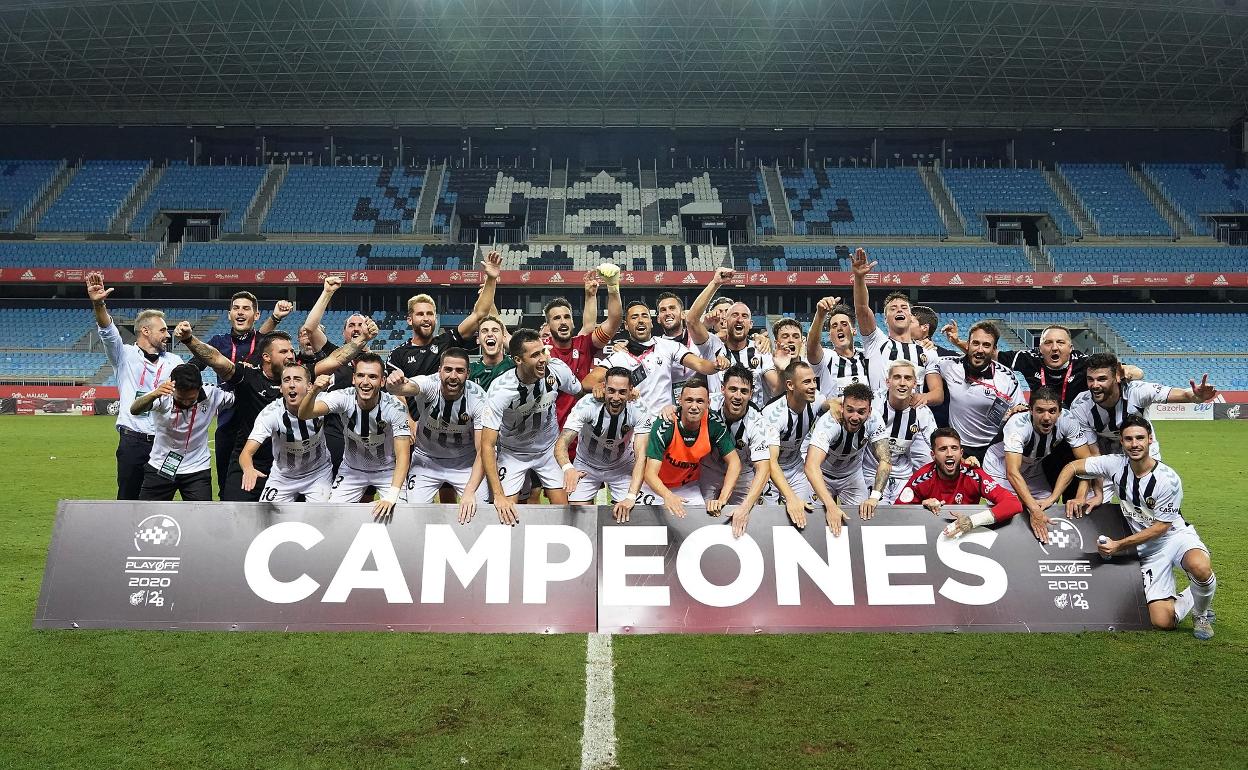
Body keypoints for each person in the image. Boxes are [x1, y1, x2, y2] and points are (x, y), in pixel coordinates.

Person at [1040, 415, 1216, 639]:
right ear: (1121, 442)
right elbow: (1073, 466)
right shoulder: (1114, 464)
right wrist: (1060, 497)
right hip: (1146, 549)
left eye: (1140, 438)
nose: (1135, 444)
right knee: (1162, 621)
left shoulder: (1167, 480)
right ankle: (1193, 595)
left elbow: (1161, 527)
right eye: (1129, 439)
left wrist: (1119, 545)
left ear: (1150, 440)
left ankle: (1201, 614)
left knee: (1200, 567)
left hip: (1173, 536)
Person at [85, 272, 185, 500]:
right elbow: (108, 332)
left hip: (165, 441)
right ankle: (123, 536)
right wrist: (99, 303)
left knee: (161, 499)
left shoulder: (175, 362)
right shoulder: (124, 355)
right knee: (128, 498)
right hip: (133, 440)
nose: (167, 335)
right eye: (162, 330)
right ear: (145, 331)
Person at [177, 324, 300, 501]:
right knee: (233, 513)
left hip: (288, 463)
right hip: (248, 459)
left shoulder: (300, 379)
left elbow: (334, 360)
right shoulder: (248, 376)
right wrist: (189, 339)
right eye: (283, 352)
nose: (290, 355)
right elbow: (216, 358)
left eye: (291, 351)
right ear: (266, 357)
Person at [192, 290, 292, 497]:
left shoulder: (265, 343)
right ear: (229, 314)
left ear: (256, 315)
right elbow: (194, 367)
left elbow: (262, 340)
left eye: (246, 308)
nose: (240, 312)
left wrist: (274, 318)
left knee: (272, 481)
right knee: (227, 485)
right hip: (229, 421)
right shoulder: (218, 342)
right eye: (236, 308)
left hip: (260, 418)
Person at [480, 329, 585, 524]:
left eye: (543, 351)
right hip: (513, 453)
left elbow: (581, 394)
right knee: (506, 513)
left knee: (564, 510)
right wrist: (499, 495)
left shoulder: (557, 370)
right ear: (518, 360)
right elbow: (487, 445)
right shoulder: (501, 389)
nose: (543, 358)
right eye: (535, 355)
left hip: (548, 451)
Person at [298, 353, 412, 521]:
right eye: (360, 375)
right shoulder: (344, 397)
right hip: (351, 470)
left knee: (402, 516)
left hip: (387, 471)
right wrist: (313, 391)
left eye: (372, 377)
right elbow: (304, 414)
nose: (365, 382)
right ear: (353, 378)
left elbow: (403, 455)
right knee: (332, 518)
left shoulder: (395, 408)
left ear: (382, 381)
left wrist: (392, 495)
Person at [384, 348, 487, 520]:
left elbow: (483, 450)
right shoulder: (429, 385)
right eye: (448, 369)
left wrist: (469, 492)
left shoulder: (478, 399)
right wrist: (392, 383)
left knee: (481, 512)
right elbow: (403, 388)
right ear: (439, 371)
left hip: (465, 463)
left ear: (468, 373)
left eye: (460, 371)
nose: (453, 376)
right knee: (414, 514)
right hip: (426, 461)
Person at [585, 300, 728, 424]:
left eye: (644, 316)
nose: (640, 320)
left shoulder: (668, 346)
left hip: (664, 423)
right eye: (634, 317)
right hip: (633, 426)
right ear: (626, 325)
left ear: (651, 323)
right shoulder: (619, 357)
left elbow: (700, 364)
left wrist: (715, 365)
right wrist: (600, 386)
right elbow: (587, 382)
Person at [982, 387, 1094, 540]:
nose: (1046, 417)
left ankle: (1040, 550)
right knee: (1011, 507)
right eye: (1040, 411)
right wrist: (1034, 510)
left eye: (1052, 411)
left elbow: (1086, 462)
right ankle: (1008, 546)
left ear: (1060, 412)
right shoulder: (1018, 426)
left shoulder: (1068, 420)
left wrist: (1081, 495)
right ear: (1030, 411)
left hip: (1033, 466)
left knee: (1047, 506)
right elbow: (1012, 472)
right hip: (1001, 466)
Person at [1069, 352, 1217, 460]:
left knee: (1148, 493)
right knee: (1096, 501)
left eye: (1102, 379)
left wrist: (1196, 396)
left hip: (1143, 447)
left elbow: (1182, 394)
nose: (1095, 385)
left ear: (1116, 378)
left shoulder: (1137, 391)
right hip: (1106, 452)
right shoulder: (1080, 405)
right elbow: (1094, 455)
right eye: (1090, 380)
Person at [921, 321, 1026, 461]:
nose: (980, 349)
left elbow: (1021, 413)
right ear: (968, 344)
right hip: (958, 448)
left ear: (994, 349)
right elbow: (926, 359)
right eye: (976, 343)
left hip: (994, 448)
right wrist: (924, 346)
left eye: (986, 345)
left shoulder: (1007, 379)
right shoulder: (950, 365)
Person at [388, 250, 502, 378]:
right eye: (420, 314)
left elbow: (479, 314)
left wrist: (491, 279)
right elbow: (396, 393)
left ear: (435, 318)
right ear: (409, 320)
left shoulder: (446, 342)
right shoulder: (398, 354)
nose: (426, 318)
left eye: (430, 314)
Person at [300, 276, 374, 471]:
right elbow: (310, 328)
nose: (357, 328)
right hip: (335, 437)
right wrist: (327, 293)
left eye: (361, 324)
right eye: (351, 325)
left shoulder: (377, 363)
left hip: (371, 437)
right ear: (343, 334)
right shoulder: (332, 354)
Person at [128, 363, 232, 501]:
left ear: (199, 388)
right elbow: (134, 409)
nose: (186, 402)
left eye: (191, 399)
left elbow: (239, 399)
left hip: (197, 469)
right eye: (180, 398)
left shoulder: (212, 393)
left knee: (201, 518)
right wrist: (154, 394)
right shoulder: (162, 394)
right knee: (148, 517)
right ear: (173, 388)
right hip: (160, 467)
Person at [639, 377, 741, 518]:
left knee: (701, 522)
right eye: (689, 400)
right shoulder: (666, 423)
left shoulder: (714, 424)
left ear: (708, 404)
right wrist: (668, 496)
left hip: (687, 487)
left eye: (700, 401)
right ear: (680, 401)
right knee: (642, 524)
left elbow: (734, 462)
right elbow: (650, 473)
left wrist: (722, 499)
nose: (694, 406)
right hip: (654, 487)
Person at [897, 427, 1023, 538]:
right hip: (930, 536)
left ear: (961, 453)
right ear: (933, 455)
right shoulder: (921, 478)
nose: (950, 454)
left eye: (954, 448)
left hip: (967, 537)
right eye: (942, 449)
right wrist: (921, 505)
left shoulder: (974, 474)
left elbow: (1013, 504)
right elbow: (896, 513)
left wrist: (972, 521)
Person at [699, 365, 775, 538]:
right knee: (702, 518)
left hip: (743, 475)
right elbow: (685, 408)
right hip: (709, 469)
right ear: (723, 389)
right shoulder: (707, 405)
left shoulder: (758, 423)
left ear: (751, 393)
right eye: (733, 389)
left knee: (743, 520)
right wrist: (670, 409)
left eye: (744, 391)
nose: (738, 396)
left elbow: (763, 468)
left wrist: (745, 507)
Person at [556, 366, 646, 511]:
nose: (616, 398)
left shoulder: (639, 408)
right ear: (603, 387)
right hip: (586, 465)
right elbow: (562, 442)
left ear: (631, 390)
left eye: (622, 392)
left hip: (622, 467)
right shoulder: (587, 405)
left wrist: (631, 497)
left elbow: (641, 455)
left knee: (628, 514)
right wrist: (568, 468)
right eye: (611, 390)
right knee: (579, 516)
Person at [241, 363, 334, 502]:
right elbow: (246, 453)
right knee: (267, 518)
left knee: (320, 517)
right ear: (281, 388)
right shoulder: (270, 414)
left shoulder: (322, 402)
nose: (291, 384)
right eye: (286, 380)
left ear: (309, 386)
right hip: (283, 477)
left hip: (318, 473)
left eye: (297, 379)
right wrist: (248, 469)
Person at [805, 382, 887, 536]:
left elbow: (885, 460)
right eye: (850, 410)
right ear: (842, 407)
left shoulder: (875, 420)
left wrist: (874, 497)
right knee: (814, 524)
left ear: (869, 411)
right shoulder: (829, 422)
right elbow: (811, 466)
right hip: (822, 475)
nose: (855, 417)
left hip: (852, 476)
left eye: (861, 412)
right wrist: (830, 505)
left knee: (863, 521)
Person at [684, 268, 775, 405]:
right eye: (734, 315)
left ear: (750, 324)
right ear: (725, 321)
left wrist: (785, 367)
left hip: (752, 420)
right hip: (719, 420)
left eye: (744, 316)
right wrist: (715, 283)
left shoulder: (760, 348)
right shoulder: (712, 345)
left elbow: (776, 387)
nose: (739, 319)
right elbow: (691, 321)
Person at [545, 266, 622, 426]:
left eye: (567, 317)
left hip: (582, 434)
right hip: (547, 436)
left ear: (573, 321)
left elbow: (613, 322)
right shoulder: (541, 351)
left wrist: (613, 288)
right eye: (557, 318)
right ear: (548, 324)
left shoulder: (584, 344)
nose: (563, 321)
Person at [862, 360, 937, 509]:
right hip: (871, 473)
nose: (902, 383)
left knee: (906, 519)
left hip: (903, 476)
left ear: (915, 383)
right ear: (887, 382)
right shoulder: (873, 403)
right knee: (874, 516)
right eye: (897, 377)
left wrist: (964, 460)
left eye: (908, 378)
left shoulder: (922, 411)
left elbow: (938, 444)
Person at [850, 247, 927, 390]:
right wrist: (859, 278)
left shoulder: (925, 352)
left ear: (911, 317)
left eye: (904, 308)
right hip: (880, 412)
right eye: (893, 308)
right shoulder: (876, 342)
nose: (899, 309)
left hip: (914, 411)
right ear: (885, 319)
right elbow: (861, 309)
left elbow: (936, 392)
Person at [760, 361, 821, 526]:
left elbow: (835, 405)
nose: (813, 386)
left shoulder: (815, 400)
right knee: (768, 522)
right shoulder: (772, 415)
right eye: (806, 382)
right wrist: (790, 498)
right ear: (790, 385)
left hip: (795, 468)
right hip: (768, 471)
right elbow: (770, 462)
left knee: (806, 516)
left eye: (814, 381)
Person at [806, 298, 869, 399]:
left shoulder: (866, 357)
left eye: (844, 324)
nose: (839, 328)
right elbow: (811, 348)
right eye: (834, 326)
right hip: (832, 414)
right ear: (829, 336)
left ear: (854, 330)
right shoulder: (826, 358)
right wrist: (820, 315)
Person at [469, 315, 515, 389]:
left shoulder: (515, 365)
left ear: (503, 338)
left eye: (495, 330)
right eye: (484, 331)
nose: (490, 334)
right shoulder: (470, 370)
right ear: (478, 340)